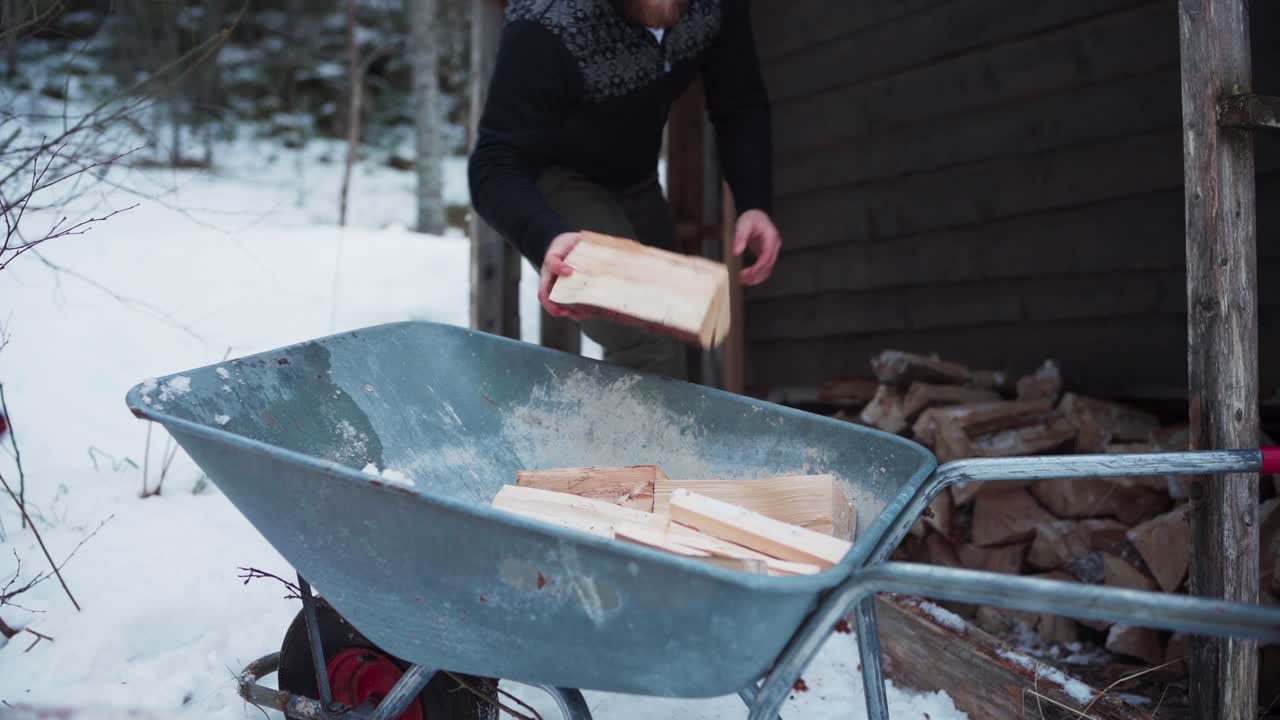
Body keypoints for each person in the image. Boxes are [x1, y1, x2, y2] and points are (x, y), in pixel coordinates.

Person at [468, 0, 781, 380]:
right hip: (553, 180)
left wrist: (753, 202)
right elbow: (494, 163)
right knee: (646, 345)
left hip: (635, 180)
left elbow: (739, 101)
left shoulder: (714, 6)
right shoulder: (547, 22)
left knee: (683, 324)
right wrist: (545, 236)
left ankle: (666, 441)